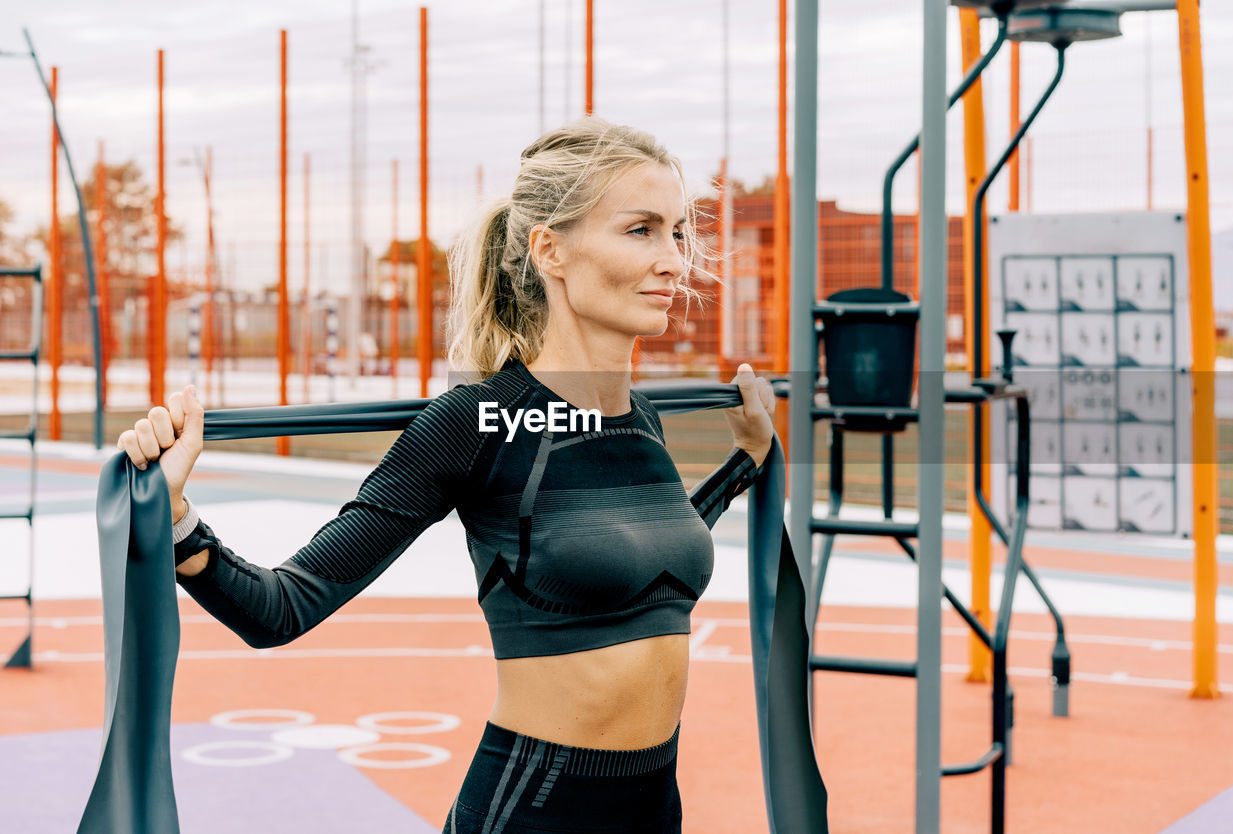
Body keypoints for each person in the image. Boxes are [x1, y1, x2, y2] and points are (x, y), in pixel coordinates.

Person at [115, 117, 777, 834]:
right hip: (531, 809)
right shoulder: (477, 424)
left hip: (655, 809)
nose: (676, 260)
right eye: (642, 230)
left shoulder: (639, 419)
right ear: (550, 249)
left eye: (677, 232)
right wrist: (175, 517)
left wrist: (746, 460)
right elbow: (279, 609)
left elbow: (646, 552)